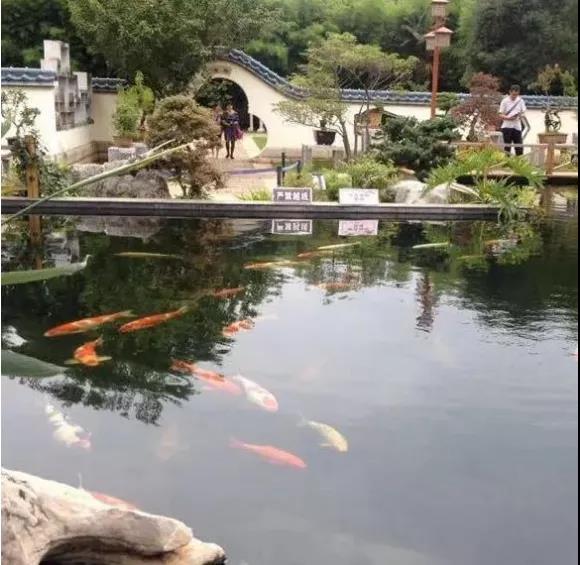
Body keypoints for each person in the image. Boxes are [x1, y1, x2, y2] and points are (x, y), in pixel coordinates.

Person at [499, 85, 527, 156]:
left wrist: (520, 115)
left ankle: (519, 161)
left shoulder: (520, 101)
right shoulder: (505, 101)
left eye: (516, 95)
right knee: (507, 147)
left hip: (517, 126)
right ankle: (507, 161)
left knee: (519, 147)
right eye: (513, 94)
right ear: (510, 92)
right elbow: (500, 114)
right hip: (507, 126)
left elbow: (523, 112)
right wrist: (508, 118)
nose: (514, 96)